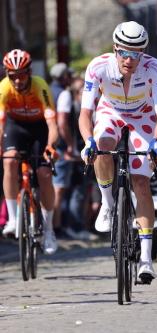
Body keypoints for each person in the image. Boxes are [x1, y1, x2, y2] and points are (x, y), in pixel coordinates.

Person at [79, 21, 157, 283]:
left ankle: (146, 260)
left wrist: (156, 141)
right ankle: (108, 205)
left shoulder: (154, 68)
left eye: (136, 53)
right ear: (115, 49)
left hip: (143, 117)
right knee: (102, 146)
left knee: (141, 182)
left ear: (144, 53)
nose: (130, 59)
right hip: (110, 112)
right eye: (124, 52)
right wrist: (88, 141)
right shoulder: (98, 67)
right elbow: (86, 112)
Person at [0, 49, 59, 254]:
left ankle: (49, 229)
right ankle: (13, 219)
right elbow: (0, 124)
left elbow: (52, 124)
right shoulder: (4, 88)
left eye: (22, 75)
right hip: (16, 128)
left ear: (29, 72)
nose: (17, 80)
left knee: (44, 174)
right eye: (12, 76)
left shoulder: (40, 86)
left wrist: (51, 145)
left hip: (40, 129)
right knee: (9, 161)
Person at [49, 62, 76, 237]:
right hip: (58, 145)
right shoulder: (64, 94)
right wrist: (69, 144)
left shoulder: (47, 90)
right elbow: (62, 123)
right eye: (69, 75)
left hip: (43, 141)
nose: (71, 78)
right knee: (58, 188)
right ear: (64, 77)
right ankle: (55, 226)